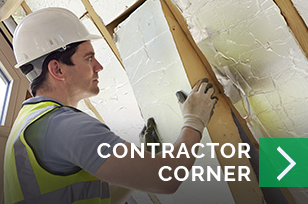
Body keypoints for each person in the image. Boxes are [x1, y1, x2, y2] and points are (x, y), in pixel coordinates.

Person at [4, 7, 218, 204]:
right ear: (57, 70)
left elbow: (95, 197)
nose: (99, 66)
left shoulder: (28, 125)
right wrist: (194, 121)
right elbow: (165, 179)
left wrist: (140, 162)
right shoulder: (63, 126)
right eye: (89, 58)